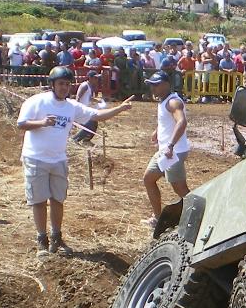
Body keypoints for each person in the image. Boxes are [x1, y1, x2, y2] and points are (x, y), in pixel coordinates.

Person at [17, 67, 132, 257]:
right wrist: (43, 123)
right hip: (35, 158)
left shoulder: (71, 107)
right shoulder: (36, 102)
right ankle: (41, 240)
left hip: (59, 159)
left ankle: (56, 237)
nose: (64, 87)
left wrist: (119, 109)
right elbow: (22, 124)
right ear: (52, 84)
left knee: (57, 199)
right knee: (38, 200)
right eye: (61, 84)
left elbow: (96, 115)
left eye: (67, 84)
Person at [142, 70, 190, 229]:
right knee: (148, 179)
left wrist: (170, 145)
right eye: (151, 85)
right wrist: (157, 130)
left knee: (180, 188)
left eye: (155, 85)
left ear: (166, 85)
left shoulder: (173, 102)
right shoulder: (163, 101)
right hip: (165, 152)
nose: (153, 89)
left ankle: (197, 215)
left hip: (173, 152)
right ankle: (157, 219)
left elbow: (181, 122)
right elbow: (167, 120)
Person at [72, 70, 105, 145]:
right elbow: (78, 97)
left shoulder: (90, 86)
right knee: (89, 126)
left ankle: (86, 140)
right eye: (95, 78)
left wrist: (97, 100)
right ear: (90, 78)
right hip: (82, 110)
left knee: (94, 125)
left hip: (87, 109)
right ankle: (75, 139)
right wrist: (76, 109)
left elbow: (89, 98)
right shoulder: (85, 85)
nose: (97, 80)